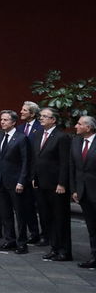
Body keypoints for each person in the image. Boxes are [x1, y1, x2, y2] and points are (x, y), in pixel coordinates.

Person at [31, 106, 72, 261]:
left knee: (60, 218)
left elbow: (64, 163)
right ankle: (54, 247)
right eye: (40, 116)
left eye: (44, 116)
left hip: (56, 185)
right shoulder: (38, 134)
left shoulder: (61, 137)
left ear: (53, 119)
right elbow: (36, 158)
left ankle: (64, 250)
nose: (40, 118)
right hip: (41, 183)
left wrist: (62, 183)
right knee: (48, 218)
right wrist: (34, 177)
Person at [0, 108, 30, 254]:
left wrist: (21, 181)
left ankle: (22, 242)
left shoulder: (21, 138)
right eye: (1, 120)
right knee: (5, 214)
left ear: (13, 122)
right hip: (0, 182)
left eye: (5, 120)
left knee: (20, 214)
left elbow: (25, 161)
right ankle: (9, 240)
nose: (2, 122)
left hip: (15, 182)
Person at [71, 115, 96, 269]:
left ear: (88, 127)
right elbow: (73, 168)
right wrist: (74, 189)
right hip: (83, 192)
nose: (76, 126)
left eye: (79, 124)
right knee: (91, 226)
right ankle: (94, 255)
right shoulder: (76, 142)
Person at [19, 100, 44, 244]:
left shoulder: (40, 127)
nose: (21, 112)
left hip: (36, 172)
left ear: (33, 113)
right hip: (23, 172)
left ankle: (46, 234)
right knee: (27, 205)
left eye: (24, 110)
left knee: (41, 206)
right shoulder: (20, 128)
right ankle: (33, 232)